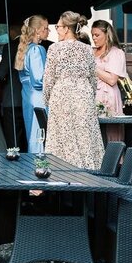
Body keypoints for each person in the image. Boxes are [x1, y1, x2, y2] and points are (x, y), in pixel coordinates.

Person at [42, 12, 101, 169]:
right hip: (83, 95)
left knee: (61, 140)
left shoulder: (54, 49)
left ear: (67, 28)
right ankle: (88, 175)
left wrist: (48, 100)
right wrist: (88, 96)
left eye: (58, 27)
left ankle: (61, 175)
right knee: (85, 138)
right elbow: (93, 80)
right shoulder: (88, 49)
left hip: (62, 96)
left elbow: (48, 79)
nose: (56, 30)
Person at [14, 14, 50, 154]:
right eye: (46, 28)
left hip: (27, 97)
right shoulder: (36, 49)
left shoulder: (24, 49)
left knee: (32, 135)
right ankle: (40, 167)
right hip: (38, 98)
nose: (48, 31)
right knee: (39, 137)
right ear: (37, 31)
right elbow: (39, 79)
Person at [92, 20, 128, 144]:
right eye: (92, 35)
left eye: (97, 35)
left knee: (111, 133)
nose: (94, 38)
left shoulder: (116, 53)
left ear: (106, 35)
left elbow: (112, 80)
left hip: (109, 97)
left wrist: (92, 67)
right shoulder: (92, 52)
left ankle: (114, 161)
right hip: (93, 95)